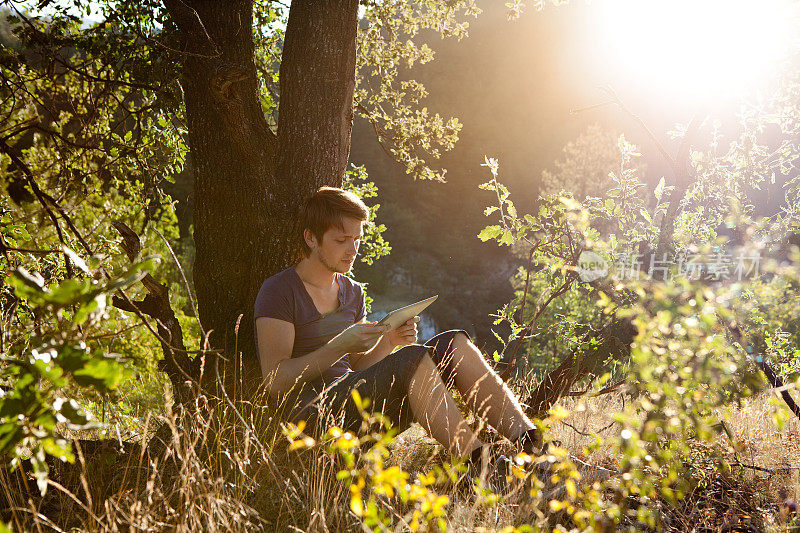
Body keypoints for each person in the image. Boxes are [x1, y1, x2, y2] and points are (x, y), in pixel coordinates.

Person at [254, 186, 540, 466]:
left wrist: (390, 341)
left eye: (357, 239)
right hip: (312, 418)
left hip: (355, 402)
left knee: (453, 343)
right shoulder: (280, 290)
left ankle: (536, 448)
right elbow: (276, 381)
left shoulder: (352, 292)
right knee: (412, 358)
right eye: (341, 240)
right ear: (311, 239)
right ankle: (484, 467)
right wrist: (340, 344)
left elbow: (359, 368)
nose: (352, 250)